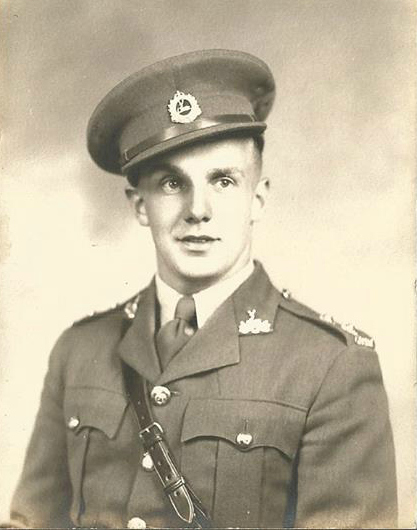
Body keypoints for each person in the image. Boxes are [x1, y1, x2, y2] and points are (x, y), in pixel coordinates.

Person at [7, 49, 397, 529]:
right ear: (140, 205)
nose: (198, 210)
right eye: (172, 183)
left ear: (258, 198)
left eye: (223, 181)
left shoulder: (330, 365)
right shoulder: (79, 350)